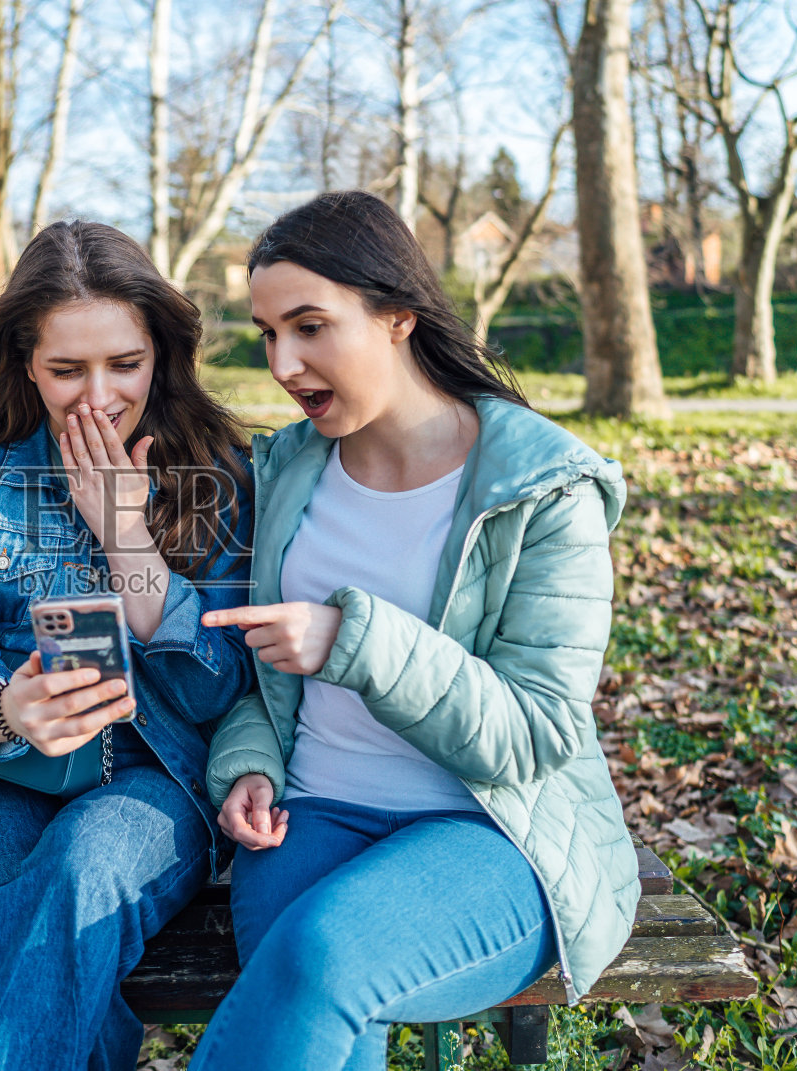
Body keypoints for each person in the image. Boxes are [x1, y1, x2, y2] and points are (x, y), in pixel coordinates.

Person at [189, 190, 639, 1071]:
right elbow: (261, 679)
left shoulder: (544, 489)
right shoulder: (283, 470)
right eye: (268, 333)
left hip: (490, 833)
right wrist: (248, 764)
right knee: (319, 994)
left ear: (398, 315)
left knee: (322, 955)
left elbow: (536, 731)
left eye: (310, 326)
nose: (283, 362)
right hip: (308, 815)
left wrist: (355, 644)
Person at [0, 220, 255, 1071]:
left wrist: (127, 537)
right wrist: (2, 709)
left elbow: (215, 691)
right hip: (1, 775)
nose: (97, 396)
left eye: (124, 363)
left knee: (79, 871)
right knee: (23, 926)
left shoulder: (221, 471)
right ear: (26, 361)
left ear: (161, 354)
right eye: (67, 370)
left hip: (157, 776)